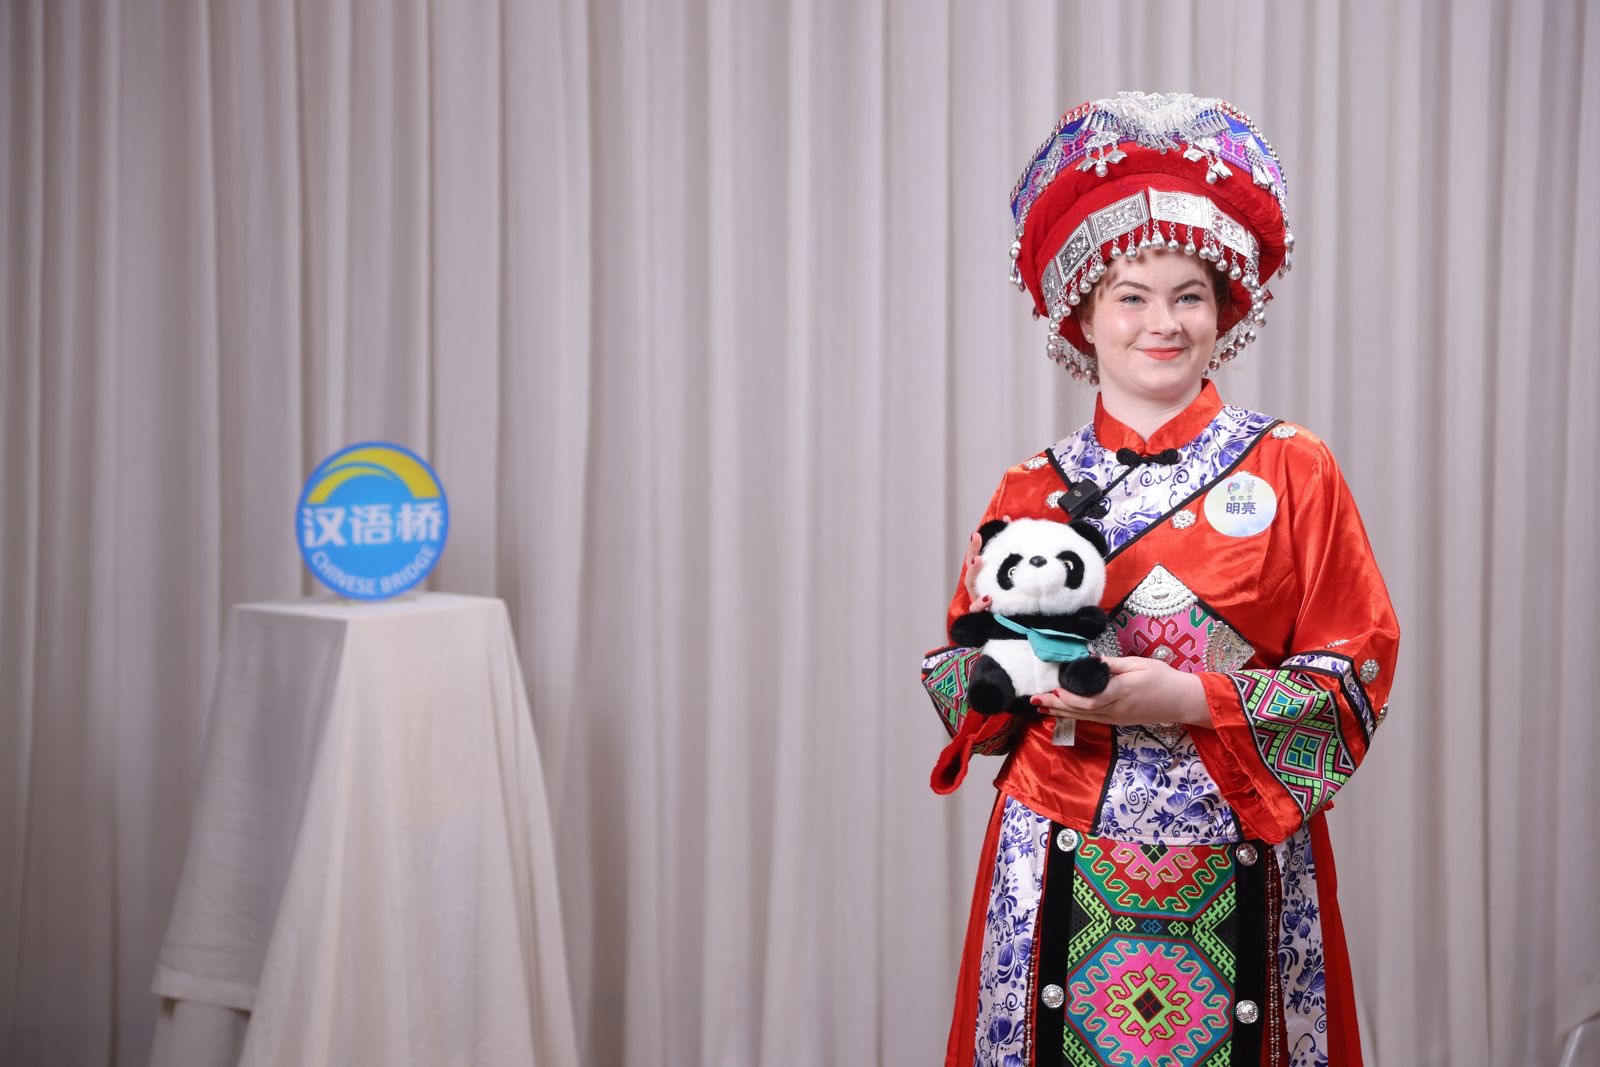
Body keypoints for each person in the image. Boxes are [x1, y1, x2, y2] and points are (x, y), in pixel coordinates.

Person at [922, 92, 1399, 1067]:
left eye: (1187, 295)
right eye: (1130, 295)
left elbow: (1356, 672)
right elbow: (952, 671)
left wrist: (1187, 695)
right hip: (1055, 849)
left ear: (1224, 309)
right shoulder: (1031, 485)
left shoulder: (1291, 467)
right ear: (1082, 315)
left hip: (1243, 851)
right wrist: (1011, 679)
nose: (1162, 322)